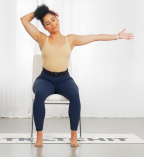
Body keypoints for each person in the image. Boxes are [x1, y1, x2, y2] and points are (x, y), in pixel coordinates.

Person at [20, 4, 134, 147]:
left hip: (64, 79)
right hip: (45, 79)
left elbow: (95, 37)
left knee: (75, 93)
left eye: (53, 20)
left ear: (58, 20)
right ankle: (39, 136)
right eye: (48, 23)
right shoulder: (41, 38)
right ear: (45, 28)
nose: (52, 24)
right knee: (40, 94)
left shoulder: (71, 39)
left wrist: (118, 36)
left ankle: (73, 136)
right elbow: (24, 20)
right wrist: (40, 12)